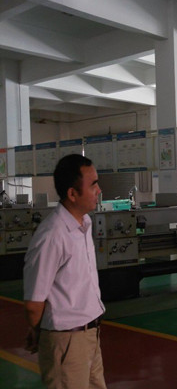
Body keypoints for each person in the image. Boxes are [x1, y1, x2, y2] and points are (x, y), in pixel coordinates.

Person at [23, 154, 106, 389]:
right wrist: (40, 331)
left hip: (90, 333)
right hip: (66, 340)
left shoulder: (84, 224)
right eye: (93, 185)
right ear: (72, 194)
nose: (99, 190)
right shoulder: (52, 235)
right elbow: (33, 303)